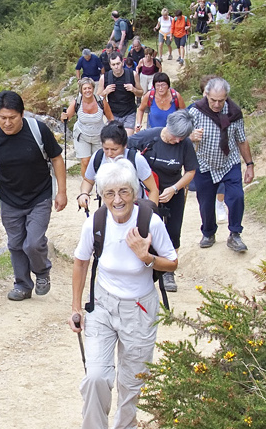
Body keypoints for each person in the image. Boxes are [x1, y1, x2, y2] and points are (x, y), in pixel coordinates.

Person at [68, 158, 177, 429]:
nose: (118, 200)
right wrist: (76, 308)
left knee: (132, 377)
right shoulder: (95, 222)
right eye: (110, 193)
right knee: (96, 375)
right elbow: (81, 262)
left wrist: (146, 256)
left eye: (124, 192)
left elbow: (172, 262)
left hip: (140, 307)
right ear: (102, 194)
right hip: (103, 305)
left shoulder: (150, 222)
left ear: (135, 192)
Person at [0, 90, 68, 301]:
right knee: (15, 244)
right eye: (2, 118)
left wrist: (61, 192)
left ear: (22, 114)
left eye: (12, 118)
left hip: (39, 196)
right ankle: (22, 285)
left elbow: (57, 159)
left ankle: (42, 272)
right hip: (9, 199)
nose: (7, 123)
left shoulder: (38, 130)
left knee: (33, 243)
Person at [129, 111, 199, 294]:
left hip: (173, 191)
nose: (177, 141)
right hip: (147, 192)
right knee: (146, 228)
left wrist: (174, 189)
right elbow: (125, 151)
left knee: (173, 231)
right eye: (175, 136)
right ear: (168, 127)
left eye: (181, 138)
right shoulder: (147, 137)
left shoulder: (185, 144)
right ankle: (142, 265)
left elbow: (190, 171)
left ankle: (168, 271)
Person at [188, 77, 256, 252]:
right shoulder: (195, 111)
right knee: (205, 203)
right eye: (213, 100)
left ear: (226, 97)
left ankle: (235, 234)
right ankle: (208, 232)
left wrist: (249, 165)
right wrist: (191, 136)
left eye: (221, 100)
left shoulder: (234, 112)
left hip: (229, 162)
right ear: (206, 95)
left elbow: (241, 140)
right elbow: (180, 135)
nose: (217, 104)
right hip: (204, 163)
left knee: (237, 197)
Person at [77, 121, 161, 212]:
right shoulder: (98, 157)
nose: (109, 153)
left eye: (114, 149)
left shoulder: (136, 159)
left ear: (125, 145)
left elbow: (153, 190)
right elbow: (88, 181)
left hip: (136, 210)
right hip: (110, 210)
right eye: (106, 149)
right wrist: (84, 193)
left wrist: (149, 214)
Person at [63, 78, 113, 161]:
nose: (87, 91)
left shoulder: (101, 101)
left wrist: (112, 132)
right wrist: (63, 117)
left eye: (89, 88)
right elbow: (66, 119)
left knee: (98, 160)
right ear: (81, 90)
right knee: (85, 161)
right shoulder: (77, 102)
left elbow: (111, 118)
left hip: (99, 136)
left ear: (93, 88)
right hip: (82, 135)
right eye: (84, 89)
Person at [97, 53, 140, 131]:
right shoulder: (104, 78)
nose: (116, 67)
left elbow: (140, 93)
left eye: (118, 63)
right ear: (110, 65)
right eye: (113, 64)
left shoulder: (133, 74)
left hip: (129, 112)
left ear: (122, 63)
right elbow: (98, 98)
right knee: (114, 137)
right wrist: (105, 92)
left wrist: (133, 89)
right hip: (112, 114)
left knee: (127, 137)